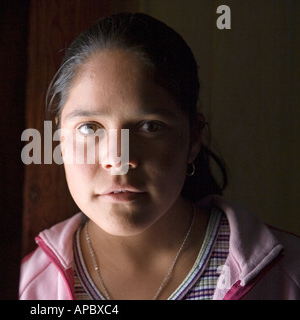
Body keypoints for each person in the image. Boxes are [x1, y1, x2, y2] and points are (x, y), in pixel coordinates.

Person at [19, 12, 299, 300]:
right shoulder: (26, 288)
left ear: (193, 138)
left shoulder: (288, 275)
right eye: (90, 127)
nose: (118, 158)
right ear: (60, 139)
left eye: (150, 127)